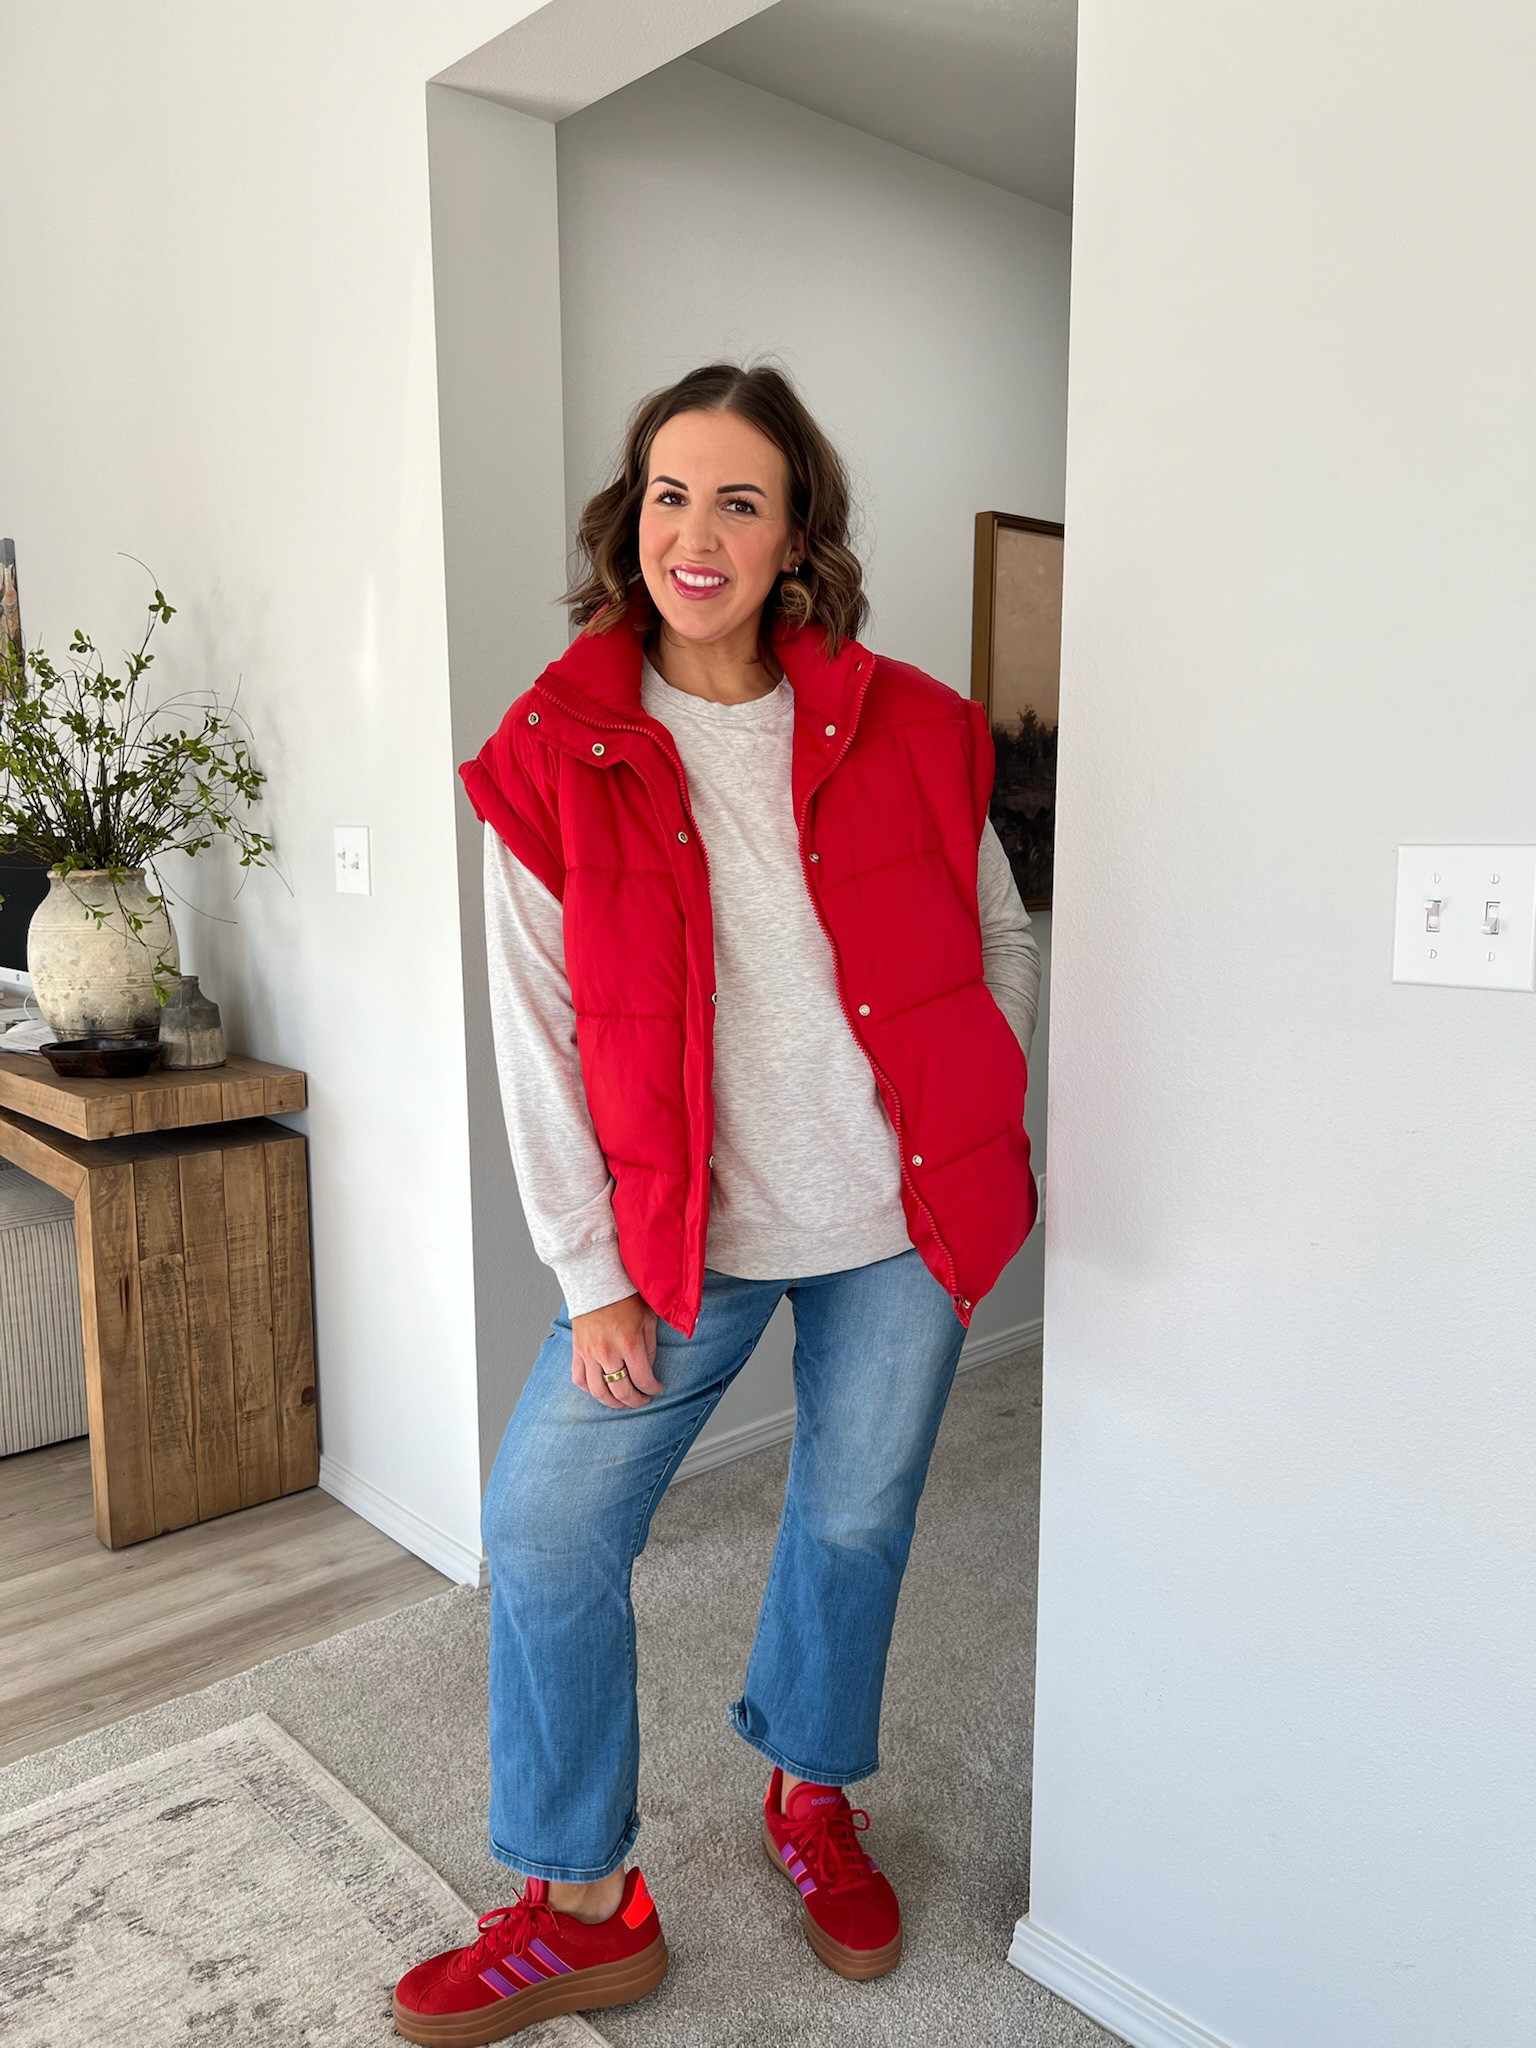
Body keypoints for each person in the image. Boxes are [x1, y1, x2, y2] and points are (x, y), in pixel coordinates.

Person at [392, 362, 1040, 2046]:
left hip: (898, 1224)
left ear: (795, 533)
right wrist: (586, 1270)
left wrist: (979, 1112)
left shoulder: (913, 721)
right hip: (679, 1242)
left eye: (741, 499)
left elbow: (1003, 939)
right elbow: (535, 1039)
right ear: (628, 520)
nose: (699, 531)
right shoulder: (553, 753)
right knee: (546, 1524)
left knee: (850, 1520)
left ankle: (810, 1800)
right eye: (670, 494)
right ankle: (587, 1905)